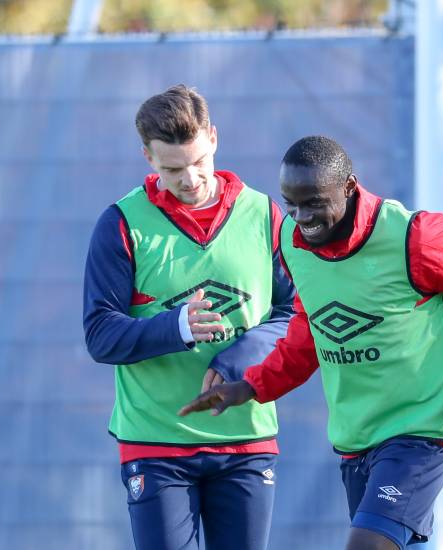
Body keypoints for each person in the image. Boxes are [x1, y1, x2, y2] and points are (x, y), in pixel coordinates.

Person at [180, 136, 443, 550]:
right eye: (291, 202)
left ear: (348, 186)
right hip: (357, 435)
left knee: (365, 545)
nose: (301, 217)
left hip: (422, 426)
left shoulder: (414, 238)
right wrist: (251, 386)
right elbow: (311, 331)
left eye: (313, 203)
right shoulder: (294, 243)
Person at [83, 84, 295, 550]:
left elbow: (294, 312)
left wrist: (235, 361)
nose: (191, 178)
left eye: (199, 161)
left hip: (245, 439)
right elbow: (100, 335)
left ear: (214, 138)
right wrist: (177, 327)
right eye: (173, 168)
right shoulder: (121, 222)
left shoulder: (264, 214)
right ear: (147, 158)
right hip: (156, 442)